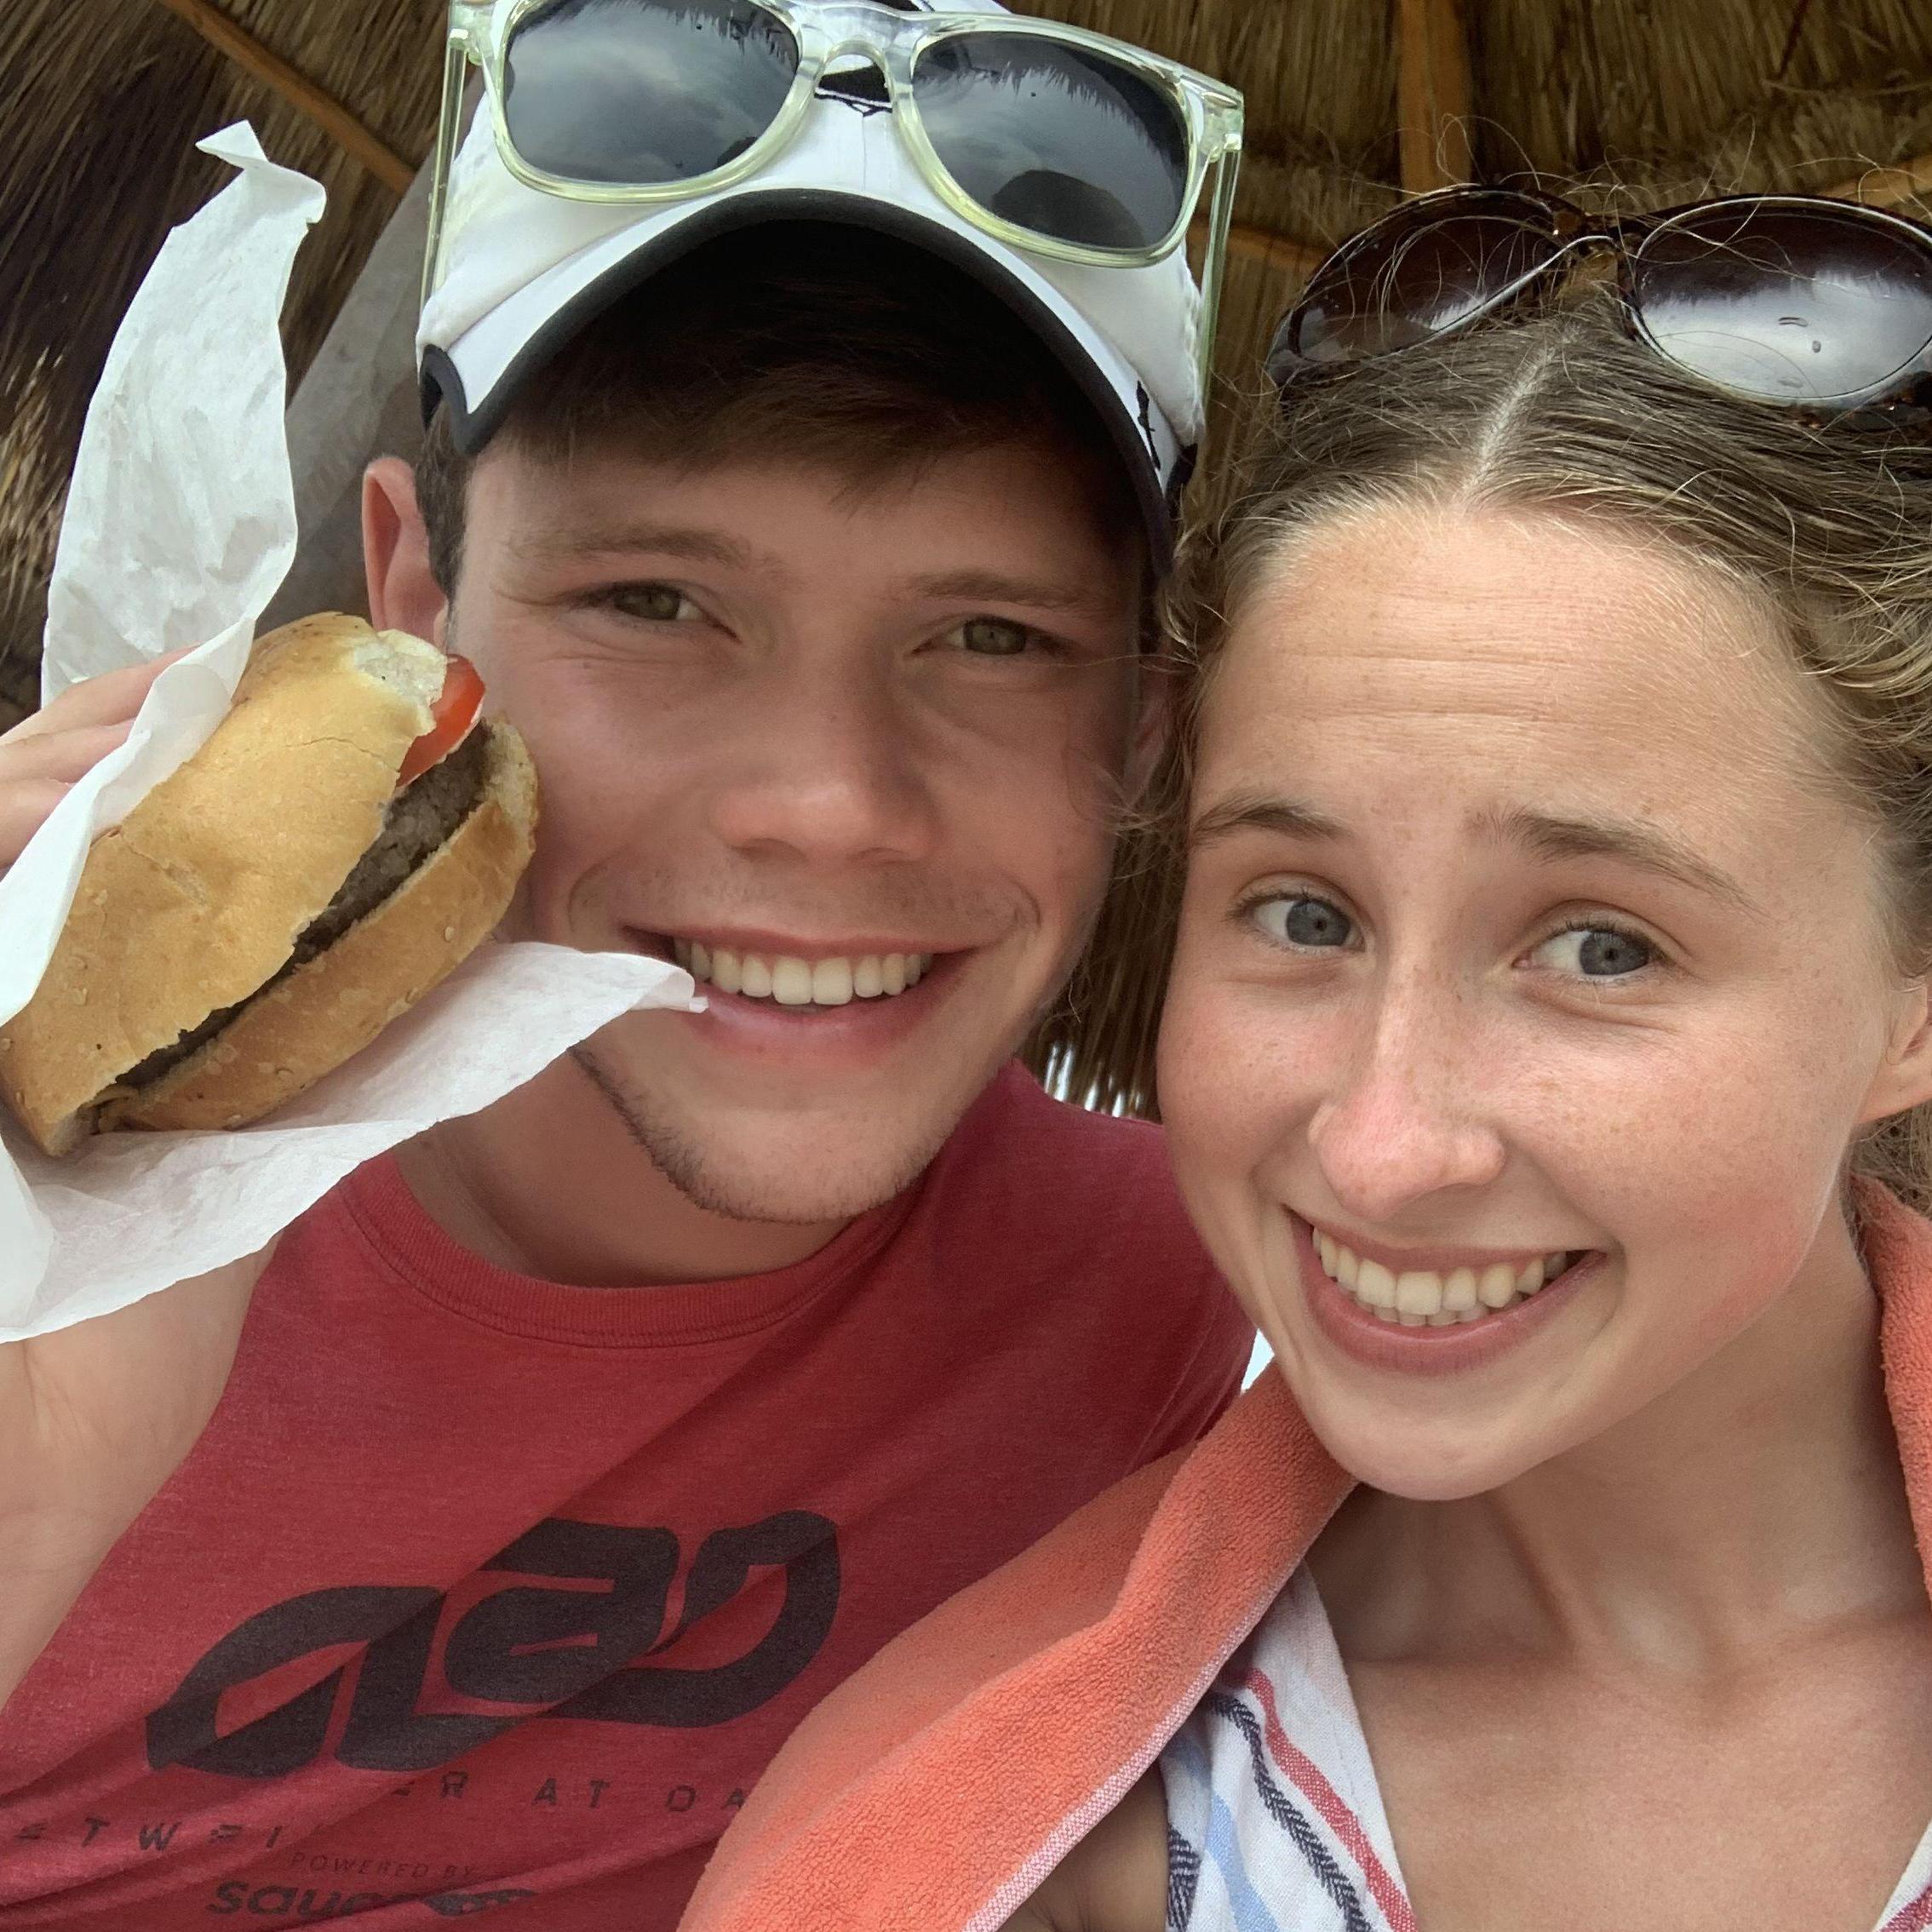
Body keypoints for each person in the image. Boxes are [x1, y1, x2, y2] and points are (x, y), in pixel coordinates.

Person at [0, 6, 1253, 1926]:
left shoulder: (1199, 1306)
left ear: (1142, 737)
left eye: (990, 637)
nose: (831, 806)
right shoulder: (44, 1219)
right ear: (413, 603)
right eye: (656, 602)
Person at [663, 189, 1932, 1932]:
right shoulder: (1002, 1850)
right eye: (1304, 914)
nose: (1383, 1145)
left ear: (1913, 997)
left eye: (1598, 945)